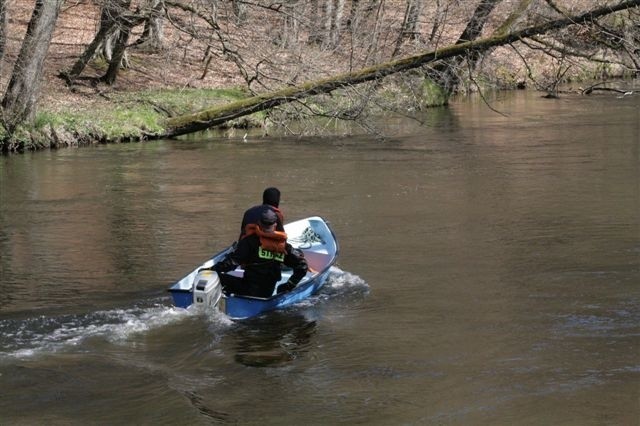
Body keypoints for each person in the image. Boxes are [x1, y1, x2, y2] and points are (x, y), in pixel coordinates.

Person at [215, 209, 308, 298]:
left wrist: (213, 270)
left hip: (247, 289)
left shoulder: (249, 242)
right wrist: (289, 285)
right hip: (267, 293)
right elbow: (302, 266)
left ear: (259, 224)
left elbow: (232, 263)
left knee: (216, 277)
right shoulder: (283, 247)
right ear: (275, 225)